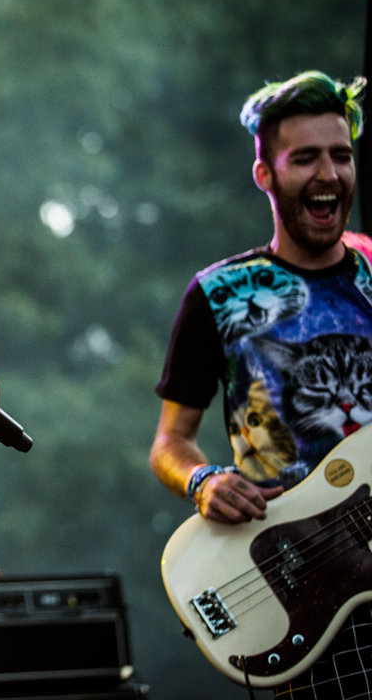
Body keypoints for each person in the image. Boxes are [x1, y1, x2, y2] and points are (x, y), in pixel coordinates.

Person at [150, 70, 371, 699]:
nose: (328, 174)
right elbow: (170, 443)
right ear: (266, 175)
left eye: (341, 155)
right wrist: (203, 480)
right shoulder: (220, 294)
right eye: (305, 158)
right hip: (308, 589)